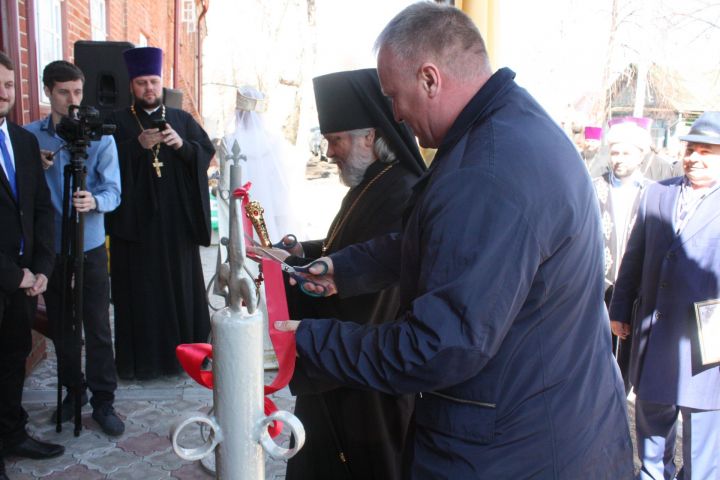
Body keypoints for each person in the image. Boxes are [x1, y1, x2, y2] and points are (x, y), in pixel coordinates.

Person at [276, 4, 634, 478]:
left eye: (394, 97)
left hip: (514, 447)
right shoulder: (511, 123)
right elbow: (446, 239)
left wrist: (308, 341)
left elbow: (441, 346)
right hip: (551, 415)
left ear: (429, 79)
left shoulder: (486, 171)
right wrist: (346, 269)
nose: (396, 115)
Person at [278, 68, 425, 480]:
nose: (329, 152)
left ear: (369, 137)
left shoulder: (402, 190)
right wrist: (300, 253)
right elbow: (343, 247)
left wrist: (314, 341)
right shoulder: (369, 183)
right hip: (338, 356)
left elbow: (382, 287)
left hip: (363, 375)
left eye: (335, 140)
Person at [609, 111, 720, 480]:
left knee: (703, 446)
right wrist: (620, 308)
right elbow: (634, 257)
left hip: (706, 345)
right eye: (691, 149)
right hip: (653, 335)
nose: (695, 158)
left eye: (707, 151)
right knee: (652, 435)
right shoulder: (658, 194)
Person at [25, 61, 124, 436]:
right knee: (63, 327)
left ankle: (104, 402)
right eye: (64, 92)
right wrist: (35, 166)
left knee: (97, 326)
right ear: (48, 91)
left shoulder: (102, 138)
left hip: (92, 245)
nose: (72, 100)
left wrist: (94, 201)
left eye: (78, 92)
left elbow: (114, 191)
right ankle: (74, 391)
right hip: (50, 249)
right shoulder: (31, 137)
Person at [105, 47, 214, 380]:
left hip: (176, 226)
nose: (148, 89)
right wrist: (135, 146)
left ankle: (191, 357)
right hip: (136, 229)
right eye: (141, 83)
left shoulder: (180, 119)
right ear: (131, 86)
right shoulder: (120, 121)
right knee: (143, 293)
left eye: (153, 81)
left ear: (161, 82)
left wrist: (182, 146)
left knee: (182, 288)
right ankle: (144, 363)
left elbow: (205, 151)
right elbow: (105, 164)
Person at [0, 51, 63, 478]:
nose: (2, 94)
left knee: (12, 359)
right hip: (6, 276)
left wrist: (42, 268)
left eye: (7, 85)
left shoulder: (23, 141)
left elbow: (42, 209)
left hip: (24, 282)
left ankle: (12, 433)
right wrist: (13, 274)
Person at [593, 121, 652, 394]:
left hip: (636, 292)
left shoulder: (654, 193)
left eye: (626, 153)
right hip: (597, 287)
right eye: (615, 152)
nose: (619, 159)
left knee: (626, 366)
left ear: (641, 154)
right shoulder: (592, 188)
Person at [220, 86, 303, 242]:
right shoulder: (274, 142)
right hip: (269, 207)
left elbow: (225, 185)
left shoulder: (229, 141)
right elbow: (280, 180)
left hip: (240, 208)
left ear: (238, 111)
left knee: (242, 250)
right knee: (268, 247)